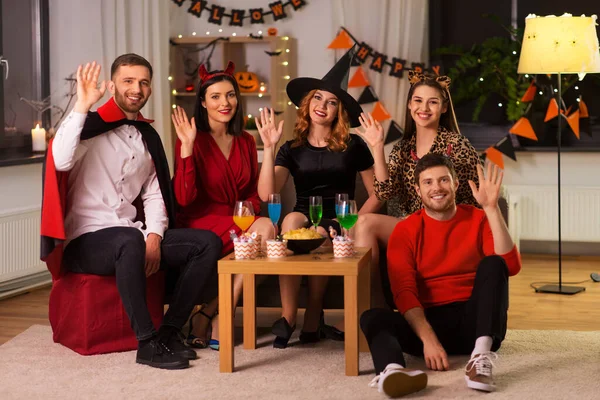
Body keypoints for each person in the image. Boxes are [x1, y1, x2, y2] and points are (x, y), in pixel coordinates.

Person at [41, 54, 222, 370]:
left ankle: (167, 331)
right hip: (86, 242)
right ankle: (147, 344)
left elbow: (154, 196)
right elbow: (60, 159)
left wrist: (154, 235)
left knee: (206, 243)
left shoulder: (146, 137)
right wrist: (82, 106)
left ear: (150, 88)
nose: (136, 88)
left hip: (131, 238)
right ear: (112, 85)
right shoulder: (86, 129)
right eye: (128, 81)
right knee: (128, 240)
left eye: (143, 82)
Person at [360, 153, 521, 397]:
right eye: (428, 182)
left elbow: (510, 267)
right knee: (372, 317)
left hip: (477, 322)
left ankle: (480, 357)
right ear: (417, 189)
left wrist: (491, 208)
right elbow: (404, 291)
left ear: (456, 184)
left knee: (494, 264)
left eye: (444, 180)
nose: (437, 188)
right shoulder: (405, 230)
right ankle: (392, 371)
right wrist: (429, 340)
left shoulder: (479, 218)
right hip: (429, 321)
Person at [256, 47, 383, 349]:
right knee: (290, 225)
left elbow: (379, 192)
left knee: (322, 235)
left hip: (340, 217)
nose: (322, 106)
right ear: (307, 102)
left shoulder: (354, 146)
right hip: (303, 214)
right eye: (317, 98)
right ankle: (289, 317)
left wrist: (356, 223)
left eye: (332, 102)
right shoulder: (291, 147)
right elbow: (266, 193)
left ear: (340, 110)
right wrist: (269, 148)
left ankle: (313, 315)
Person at [171, 61, 273, 351]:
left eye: (230, 95)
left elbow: (254, 194)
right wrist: (187, 149)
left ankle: (212, 311)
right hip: (201, 224)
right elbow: (184, 199)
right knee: (265, 237)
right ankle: (214, 314)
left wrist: (247, 212)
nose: (224, 103)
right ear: (202, 102)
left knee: (269, 233)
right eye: (215, 96)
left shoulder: (246, 141)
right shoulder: (191, 139)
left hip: (238, 221)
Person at [354, 71, 482, 295]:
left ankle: (371, 306)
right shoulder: (402, 148)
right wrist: (377, 147)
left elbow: (477, 198)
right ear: (409, 105)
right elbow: (384, 191)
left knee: (365, 223)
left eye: (433, 102)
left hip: (446, 226)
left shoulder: (458, 145)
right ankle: (371, 307)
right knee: (363, 224)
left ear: (443, 108)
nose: (424, 108)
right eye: (418, 101)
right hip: (410, 226)